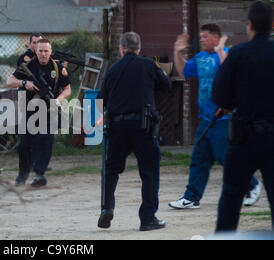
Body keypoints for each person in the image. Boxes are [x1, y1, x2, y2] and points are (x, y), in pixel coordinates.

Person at [169, 24, 261, 210]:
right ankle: (191, 197)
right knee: (199, 158)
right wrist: (177, 53)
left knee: (226, 157)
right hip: (206, 119)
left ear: (216, 38)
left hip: (224, 118)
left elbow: (232, 71)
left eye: (205, 36)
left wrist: (220, 51)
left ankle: (252, 185)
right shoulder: (201, 57)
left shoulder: (227, 54)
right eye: (200, 36)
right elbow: (184, 72)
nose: (201, 39)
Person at [96, 32, 171, 231]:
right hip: (143, 127)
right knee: (149, 172)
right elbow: (167, 85)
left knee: (111, 170)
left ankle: (107, 208)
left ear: (122, 49)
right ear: (139, 48)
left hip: (118, 128)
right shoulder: (148, 65)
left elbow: (100, 99)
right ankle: (147, 219)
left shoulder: (112, 70)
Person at [212, 1, 274, 232]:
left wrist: (232, 103)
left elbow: (219, 95)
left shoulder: (237, 54)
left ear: (249, 25)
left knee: (231, 197)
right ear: (272, 25)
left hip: (243, 138)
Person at [7, 39, 71, 187]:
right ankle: (23, 174)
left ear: (50, 51)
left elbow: (67, 88)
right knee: (25, 144)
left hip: (48, 109)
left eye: (46, 51)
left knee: (47, 139)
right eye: (40, 50)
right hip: (29, 109)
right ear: (36, 51)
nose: (43, 54)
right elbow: (10, 82)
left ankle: (39, 174)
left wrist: (58, 100)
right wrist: (24, 83)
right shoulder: (28, 66)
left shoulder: (58, 68)